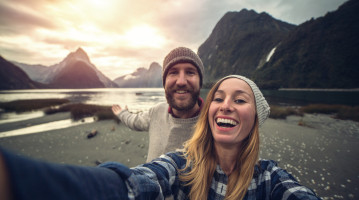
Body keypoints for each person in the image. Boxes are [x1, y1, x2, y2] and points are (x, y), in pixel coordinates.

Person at [0, 75, 321, 200]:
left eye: (240, 99)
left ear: (255, 120)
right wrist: (21, 179)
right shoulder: (182, 164)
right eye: (219, 97)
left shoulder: (270, 180)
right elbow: (130, 185)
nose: (225, 105)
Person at [112, 47, 205, 162]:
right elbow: (134, 121)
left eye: (190, 72)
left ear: (200, 82)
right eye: (173, 72)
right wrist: (122, 113)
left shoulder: (213, 123)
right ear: (164, 82)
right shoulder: (156, 112)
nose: (181, 81)